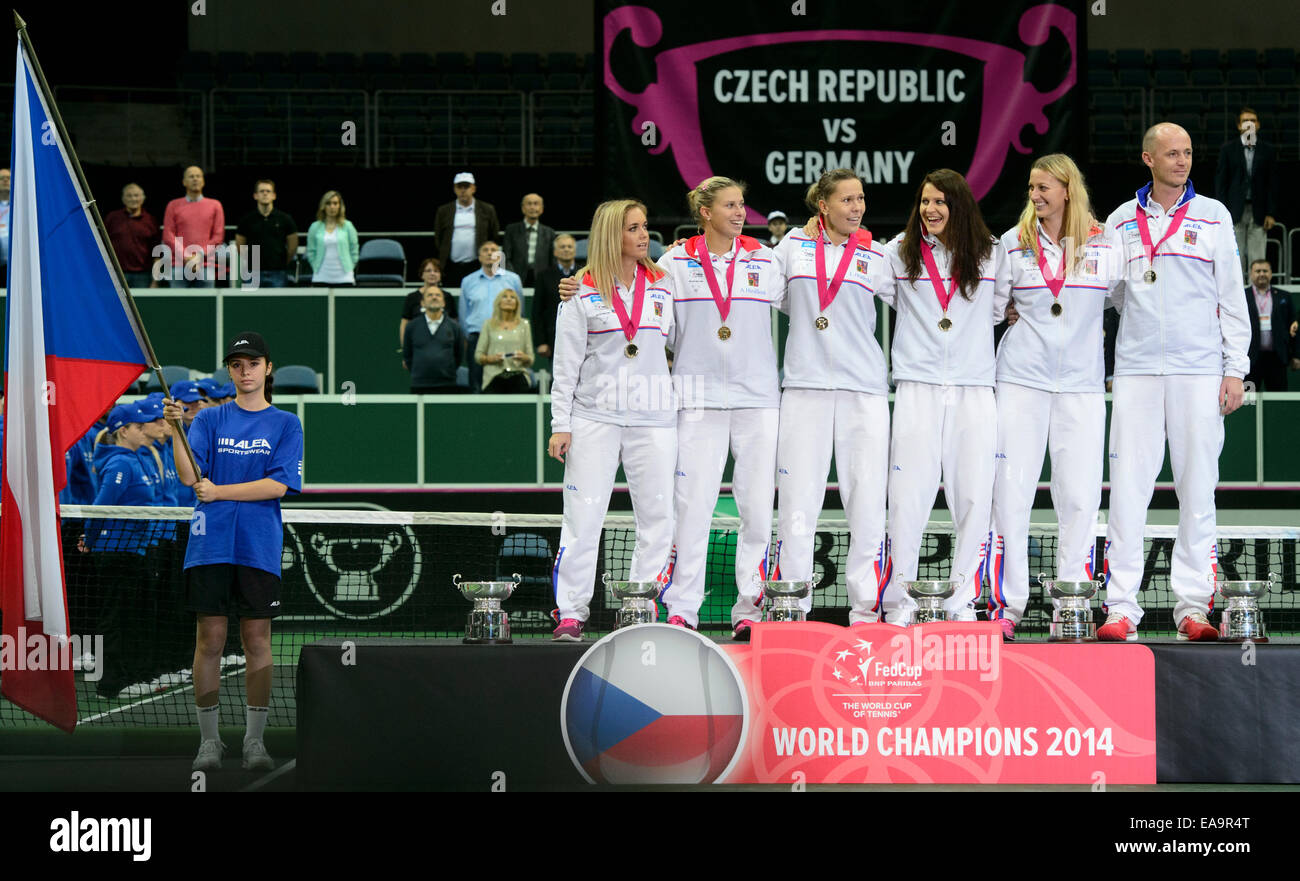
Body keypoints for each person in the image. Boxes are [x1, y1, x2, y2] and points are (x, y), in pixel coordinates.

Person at [1100, 122, 1250, 642]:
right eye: (1171, 153)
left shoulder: (1214, 215)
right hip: (1138, 373)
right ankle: (1121, 607)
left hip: (1199, 371)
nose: (1182, 161)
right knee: (1128, 491)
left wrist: (1236, 369)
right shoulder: (1120, 220)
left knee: (1197, 491)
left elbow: (1232, 297)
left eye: (1187, 152)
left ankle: (1192, 608)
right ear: (1148, 158)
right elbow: (1112, 294)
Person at [986, 154, 1123, 640]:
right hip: (1021, 382)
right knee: (1011, 495)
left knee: (1081, 497)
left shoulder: (1107, 244)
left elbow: (1127, 301)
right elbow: (993, 307)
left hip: (1082, 387)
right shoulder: (1012, 244)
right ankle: (1008, 606)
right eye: (1031, 187)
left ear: (1067, 189)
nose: (1035, 195)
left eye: (1044, 187)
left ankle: (1073, 603)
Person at [165, 331, 304, 772]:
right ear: (230, 370)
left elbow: (277, 485)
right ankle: (209, 741)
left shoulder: (286, 424)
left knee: (257, 640)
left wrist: (220, 490)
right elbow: (190, 477)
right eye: (237, 364)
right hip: (210, 544)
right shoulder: (207, 420)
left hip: (258, 546)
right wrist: (176, 430)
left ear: (268, 369)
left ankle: (254, 742)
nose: (244, 371)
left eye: (252, 363)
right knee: (210, 639)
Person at [879, 169, 1012, 625]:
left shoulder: (993, 255)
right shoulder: (898, 252)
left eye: (940, 202)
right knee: (907, 494)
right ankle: (900, 603)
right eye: (924, 202)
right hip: (917, 385)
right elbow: (849, 264)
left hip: (974, 386)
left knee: (974, 494)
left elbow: (1001, 309)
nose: (930, 210)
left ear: (959, 206)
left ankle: (961, 602)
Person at [657, 177, 784, 637]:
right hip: (696, 401)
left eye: (742, 205)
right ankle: (682, 609)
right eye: (730, 205)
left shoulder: (767, 260)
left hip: (757, 401)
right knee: (692, 508)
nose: (740, 212)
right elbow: (660, 329)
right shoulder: (672, 262)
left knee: (756, 509)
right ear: (705, 212)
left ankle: (750, 610)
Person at [547, 199, 676, 641]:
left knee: (658, 517)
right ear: (610, 235)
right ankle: (570, 613)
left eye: (645, 227)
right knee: (583, 518)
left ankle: (639, 605)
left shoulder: (663, 285)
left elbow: (678, 343)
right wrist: (559, 424)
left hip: (655, 419)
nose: (644, 236)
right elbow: (565, 365)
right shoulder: (580, 293)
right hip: (593, 418)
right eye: (633, 228)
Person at [779, 170, 897, 627]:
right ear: (823, 206)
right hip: (805, 390)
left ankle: (867, 610)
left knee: (867, 502)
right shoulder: (791, 247)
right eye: (847, 199)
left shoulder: (878, 255)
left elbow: (918, 298)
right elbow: (752, 289)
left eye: (861, 198)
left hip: (863, 391)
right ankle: (792, 605)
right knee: (797, 501)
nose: (857, 207)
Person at [81, 404, 159, 698]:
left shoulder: (133, 460)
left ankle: (125, 675)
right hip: (117, 552)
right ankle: (110, 682)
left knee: (128, 617)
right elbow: (101, 506)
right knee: (114, 618)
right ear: (124, 431)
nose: (143, 430)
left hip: (132, 552)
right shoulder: (120, 465)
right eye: (138, 427)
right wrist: (89, 538)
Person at [1215, 107, 1279, 281]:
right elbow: (1221, 183)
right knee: (1234, 257)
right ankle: (1234, 297)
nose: (1249, 123)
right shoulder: (1228, 149)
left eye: (1252, 120)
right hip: (1233, 211)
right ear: (1239, 126)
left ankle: (1255, 297)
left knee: (1257, 256)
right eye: (1245, 121)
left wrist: (1271, 212)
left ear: (1257, 125)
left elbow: (1272, 184)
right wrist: (1221, 212)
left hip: (1259, 210)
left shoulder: (1268, 150)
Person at [460, 242, 523, 393]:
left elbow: (520, 310)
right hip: (477, 336)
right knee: (475, 382)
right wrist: (468, 336)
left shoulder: (513, 279)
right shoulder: (468, 281)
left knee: (506, 381)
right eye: (485, 250)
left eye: (493, 250)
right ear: (479, 257)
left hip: (506, 336)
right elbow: (463, 313)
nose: (489, 253)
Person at [162, 165, 224, 288]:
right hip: (179, 265)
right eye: (191, 176)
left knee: (207, 305)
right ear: (184, 182)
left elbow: (218, 236)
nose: (195, 179)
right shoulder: (173, 205)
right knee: (179, 304)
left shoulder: (215, 205)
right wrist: (185, 256)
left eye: (198, 176)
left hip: (206, 265)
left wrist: (199, 256)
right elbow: (168, 235)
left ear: (203, 181)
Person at [434, 173, 501, 288]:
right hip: (451, 266)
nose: (463, 190)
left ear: (473, 188)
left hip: (477, 265)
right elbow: (439, 237)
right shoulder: (444, 211)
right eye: (460, 187)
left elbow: (493, 235)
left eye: (466, 187)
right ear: (455, 189)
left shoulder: (487, 209)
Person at [234, 179, 298, 289]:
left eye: (268, 191)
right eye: (262, 191)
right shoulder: (246, 220)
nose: (265, 193)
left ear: (274, 195)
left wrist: (281, 262)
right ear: (255, 196)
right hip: (252, 273)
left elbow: (292, 247)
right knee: (251, 305)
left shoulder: (285, 219)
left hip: (278, 273)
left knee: (277, 305)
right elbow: (240, 246)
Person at [403, 286, 467, 394]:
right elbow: (408, 355)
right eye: (430, 295)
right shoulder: (412, 327)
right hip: (419, 384)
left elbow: (458, 355)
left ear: (444, 303)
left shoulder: (455, 327)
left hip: (447, 384)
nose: (434, 297)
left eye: (438, 295)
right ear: (422, 303)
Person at [1244, 259, 1295, 391]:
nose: (1262, 274)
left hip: (1276, 358)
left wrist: (1296, 355)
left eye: (1265, 271)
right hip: (1250, 358)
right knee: (1247, 402)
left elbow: (1293, 326)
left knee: (1279, 401)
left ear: (1271, 273)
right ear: (1251, 274)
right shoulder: (1242, 296)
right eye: (1258, 271)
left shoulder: (1284, 296)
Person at [475, 289, 535, 393]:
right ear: (498, 302)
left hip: (518, 374)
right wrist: (492, 359)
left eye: (512, 297)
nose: (509, 299)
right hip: (493, 376)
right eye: (505, 297)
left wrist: (523, 357)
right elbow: (478, 356)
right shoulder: (488, 325)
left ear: (517, 303)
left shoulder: (524, 325)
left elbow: (531, 358)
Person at [104, 183, 161, 289]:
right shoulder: (112, 218)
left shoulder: (151, 221)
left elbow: (157, 254)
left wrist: (155, 281)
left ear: (143, 198)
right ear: (123, 199)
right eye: (129, 196)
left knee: (141, 305)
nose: (133, 199)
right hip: (117, 274)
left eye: (136, 195)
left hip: (143, 275)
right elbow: (102, 247)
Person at [533, 234, 579, 360]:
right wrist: (541, 341)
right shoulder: (543, 276)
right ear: (555, 252)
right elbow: (537, 311)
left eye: (569, 246)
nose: (566, 249)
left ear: (575, 250)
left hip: (581, 336)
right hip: (554, 338)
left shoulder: (585, 274)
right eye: (562, 247)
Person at [307, 190, 359, 287]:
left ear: (340, 206)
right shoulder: (314, 227)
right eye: (328, 203)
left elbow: (354, 249)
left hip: (344, 277)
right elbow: (310, 251)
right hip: (321, 276)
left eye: (335, 203)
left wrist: (350, 266)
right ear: (323, 206)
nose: (332, 207)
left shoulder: (348, 226)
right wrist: (315, 266)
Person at [502, 193, 556, 286]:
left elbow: (552, 260)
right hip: (516, 277)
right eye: (529, 204)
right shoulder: (511, 230)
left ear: (542, 209)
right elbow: (506, 257)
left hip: (541, 278)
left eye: (536, 204)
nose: (532, 207)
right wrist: (512, 275)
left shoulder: (549, 232)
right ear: (523, 208)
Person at [400, 258, 454, 347]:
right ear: (422, 275)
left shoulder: (447, 297)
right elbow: (405, 324)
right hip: (418, 347)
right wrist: (405, 348)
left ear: (440, 275)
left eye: (436, 271)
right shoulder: (412, 297)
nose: (432, 273)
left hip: (443, 348)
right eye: (428, 271)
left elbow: (454, 324)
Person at [0, 167, 10, 286]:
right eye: (1, 178)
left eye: (8, 178)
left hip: (14, 263)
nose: (5, 180)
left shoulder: (19, 206)